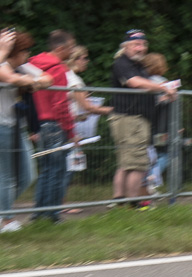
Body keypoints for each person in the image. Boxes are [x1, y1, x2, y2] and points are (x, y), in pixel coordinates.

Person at [109, 30, 176, 207]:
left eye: (144, 44)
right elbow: (134, 83)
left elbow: (145, 88)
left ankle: (120, 201)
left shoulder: (138, 65)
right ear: (126, 46)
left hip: (136, 118)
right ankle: (134, 203)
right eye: (136, 44)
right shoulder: (122, 63)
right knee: (137, 164)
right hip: (130, 119)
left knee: (126, 163)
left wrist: (163, 94)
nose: (141, 48)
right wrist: (162, 87)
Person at [1, 29, 51, 233]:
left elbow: (49, 79)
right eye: (25, 50)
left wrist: (33, 81)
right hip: (2, 126)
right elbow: (10, 78)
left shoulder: (22, 66)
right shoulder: (4, 64)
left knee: (27, 175)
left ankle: (3, 213)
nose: (28, 55)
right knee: (5, 176)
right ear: (14, 51)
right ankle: (6, 221)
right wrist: (28, 82)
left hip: (16, 127)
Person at [28, 29, 75, 223]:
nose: (72, 51)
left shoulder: (33, 65)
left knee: (46, 170)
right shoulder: (58, 69)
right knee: (57, 170)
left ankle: (39, 212)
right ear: (61, 48)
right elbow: (61, 104)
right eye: (71, 48)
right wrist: (71, 131)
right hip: (56, 125)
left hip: (41, 122)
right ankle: (53, 215)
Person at [61, 45, 111, 207]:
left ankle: (59, 204)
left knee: (61, 167)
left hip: (67, 124)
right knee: (65, 168)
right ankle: (62, 205)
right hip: (68, 128)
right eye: (84, 58)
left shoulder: (65, 76)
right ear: (75, 59)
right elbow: (88, 107)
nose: (87, 62)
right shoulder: (75, 81)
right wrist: (115, 110)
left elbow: (76, 108)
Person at [141, 52, 175, 201]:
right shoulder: (163, 83)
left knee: (148, 155)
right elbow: (171, 102)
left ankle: (147, 181)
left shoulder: (143, 81)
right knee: (164, 154)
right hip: (162, 126)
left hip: (145, 124)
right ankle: (152, 180)